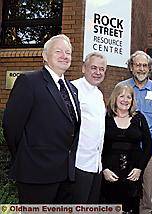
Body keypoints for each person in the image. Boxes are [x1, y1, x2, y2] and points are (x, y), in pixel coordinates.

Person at [2, 34, 81, 203]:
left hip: (65, 176)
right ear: (45, 56)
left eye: (68, 52)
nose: (64, 56)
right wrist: (26, 157)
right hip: (35, 174)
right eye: (58, 51)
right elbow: (11, 126)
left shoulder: (72, 89)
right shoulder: (29, 81)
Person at [120, 50, 152, 214]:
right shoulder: (122, 87)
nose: (141, 69)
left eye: (144, 65)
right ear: (131, 67)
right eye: (137, 65)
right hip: (125, 148)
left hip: (150, 150)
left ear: (149, 68)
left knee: (147, 192)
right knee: (124, 187)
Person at [102, 84, 152, 213]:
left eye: (129, 97)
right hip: (110, 175)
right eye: (122, 96)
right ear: (115, 98)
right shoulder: (105, 118)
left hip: (132, 175)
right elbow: (98, 146)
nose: (125, 100)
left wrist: (140, 169)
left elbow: (148, 147)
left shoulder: (139, 118)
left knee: (131, 207)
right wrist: (104, 169)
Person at [71, 52, 107, 203]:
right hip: (79, 164)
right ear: (83, 68)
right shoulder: (73, 89)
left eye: (102, 69)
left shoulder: (99, 94)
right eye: (94, 68)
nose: (98, 72)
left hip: (96, 164)